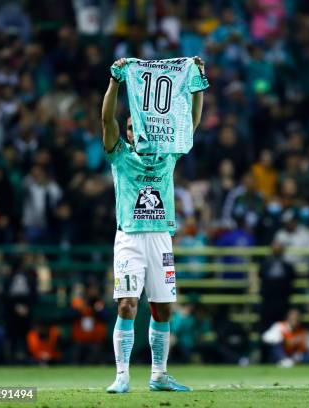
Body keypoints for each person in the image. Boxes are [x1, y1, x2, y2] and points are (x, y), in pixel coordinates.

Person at [102, 56, 205, 393]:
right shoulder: (120, 155)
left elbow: (191, 121)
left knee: (163, 309)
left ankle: (159, 375)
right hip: (129, 237)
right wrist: (115, 82)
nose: (134, 131)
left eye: (137, 126)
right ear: (128, 132)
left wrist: (197, 83)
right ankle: (121, 376)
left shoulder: (166, 154)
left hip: (161, 237)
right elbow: (106, 120)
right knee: (128, 303)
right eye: (130, 127)